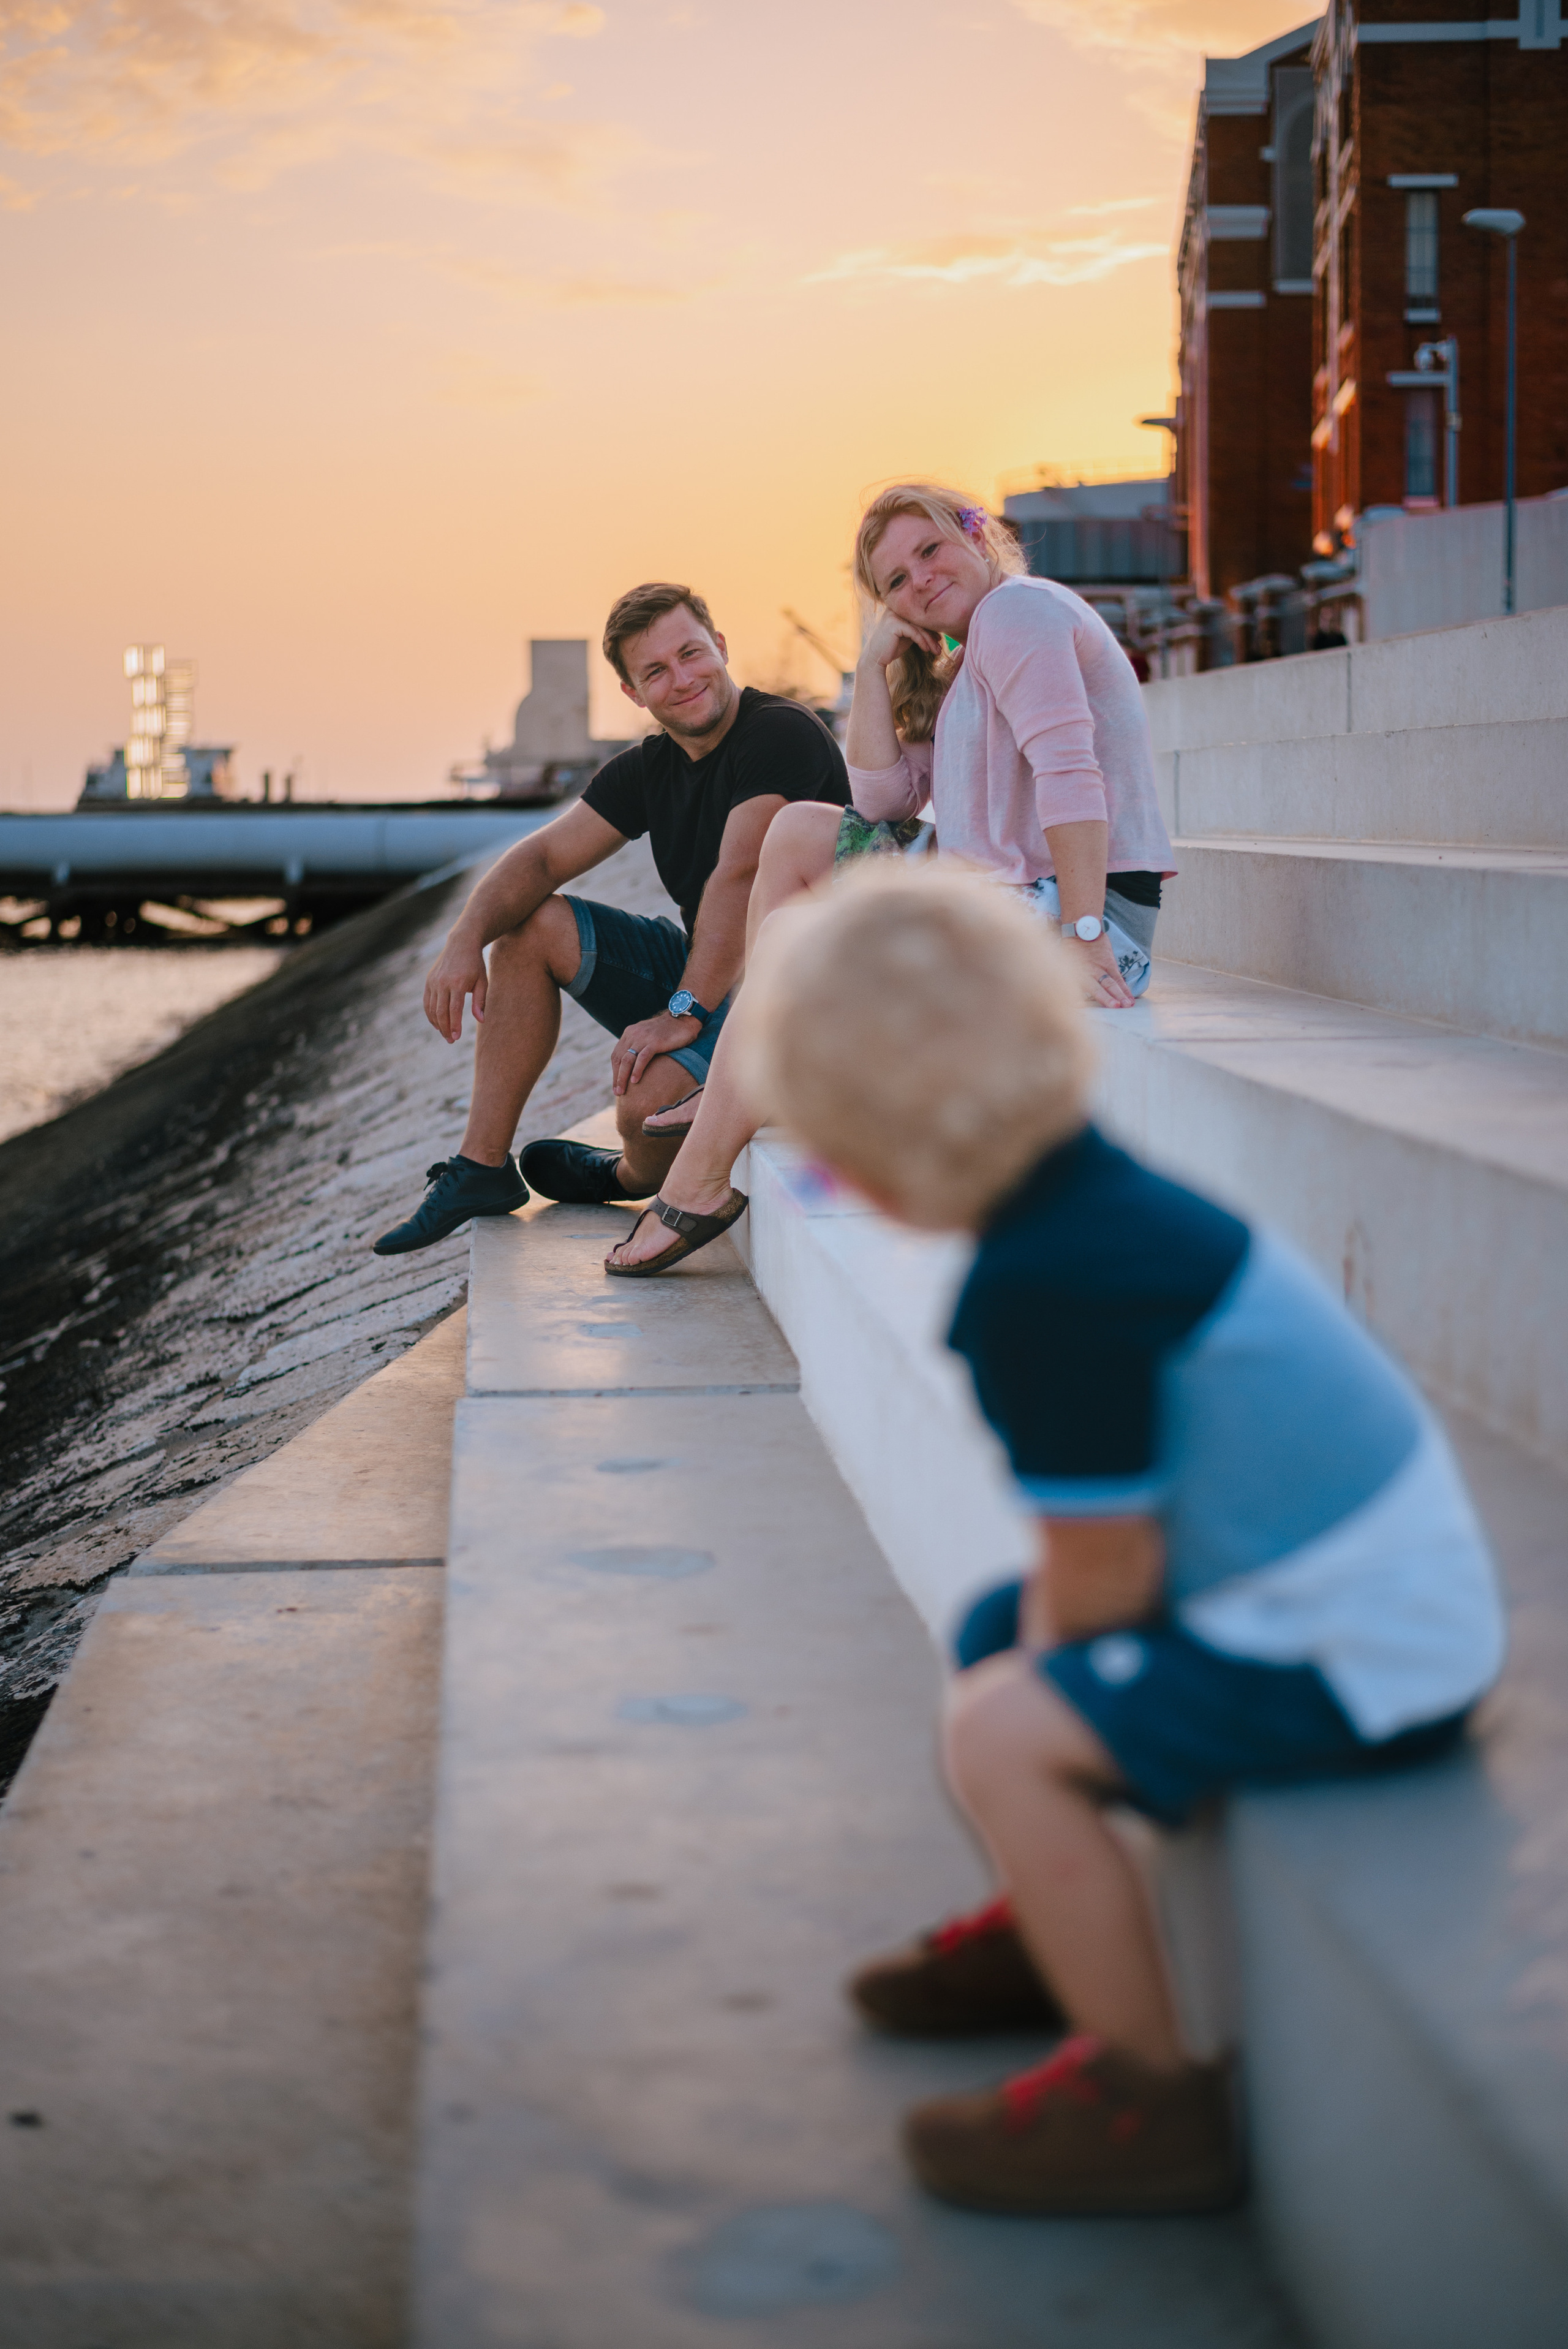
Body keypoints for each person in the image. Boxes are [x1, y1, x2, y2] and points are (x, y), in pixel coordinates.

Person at [732, 861, 1507, 2217]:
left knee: (1001, 1731)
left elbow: (1103, 1577)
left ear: (893, 1141)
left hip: (1365, 1653)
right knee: (995, 1629)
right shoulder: (1079, 1192)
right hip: (1351, 1592)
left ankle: (1148, 2099)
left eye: (828, 1148)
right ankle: (1059, 1917)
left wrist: (1033, 1703)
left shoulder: (1047, 1286)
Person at [604, 480, 1174, 1277]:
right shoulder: (968, 650)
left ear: (975, 532)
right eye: (896, 581)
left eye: (930, 550)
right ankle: (757, 1068)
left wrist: (1083, 934)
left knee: (795, 926)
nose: (921, 582)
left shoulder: (1019, 614)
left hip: (1083, 912)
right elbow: (877, 802)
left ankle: (702, 1169)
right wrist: (875, 665)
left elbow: (1071, 773)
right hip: (1010, 888)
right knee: (799, 830)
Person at [371, 583, 848, 1256]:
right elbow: (541, 858)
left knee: (646, 1111)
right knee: (528, 928)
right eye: (656, 671)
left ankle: (624, 1176)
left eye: (691, 653)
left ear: (720, 647)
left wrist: (682, 1009)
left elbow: (738, 878)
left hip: (791, 994)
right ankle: (481, 1168)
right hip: (708, 966)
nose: (683, 678)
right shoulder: (649, 767)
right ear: (634, 693)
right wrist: (462, 940)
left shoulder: (780, 733)